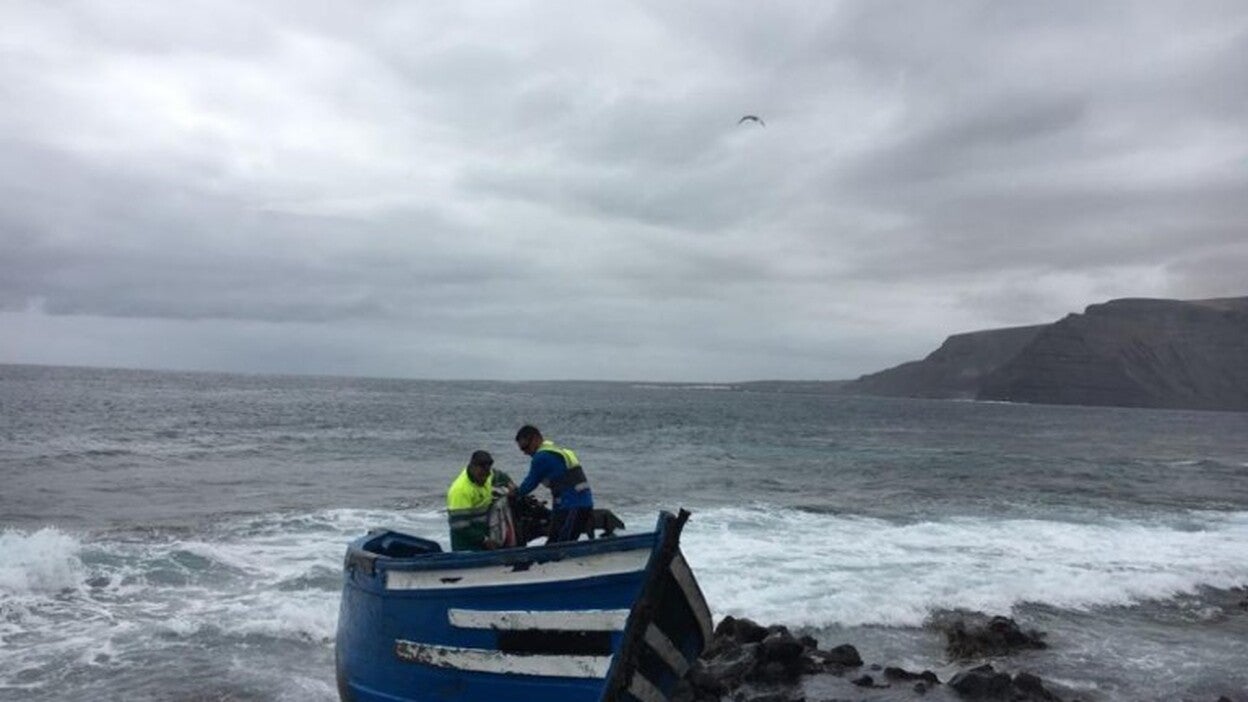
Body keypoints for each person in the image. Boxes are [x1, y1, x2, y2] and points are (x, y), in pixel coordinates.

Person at [514, 425, 594, 543]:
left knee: (560, 545)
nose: (525, 453)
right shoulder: (558, 451)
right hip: (583, 503)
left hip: (572, 506)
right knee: (557, 541)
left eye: (526, 447)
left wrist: (514, 493)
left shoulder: (541, 457)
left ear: (536, 439)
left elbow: (529, 484)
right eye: (522, 450)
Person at [446, 450, 513, 551]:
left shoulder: (487, 474)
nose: (484, 479)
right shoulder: (460, 490)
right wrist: (484, 540)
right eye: (481, 476)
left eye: (486, 476)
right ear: (472, 467)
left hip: (483, 533)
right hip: (465, 544)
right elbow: (460, 526)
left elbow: (499, 475)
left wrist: (509, 484)